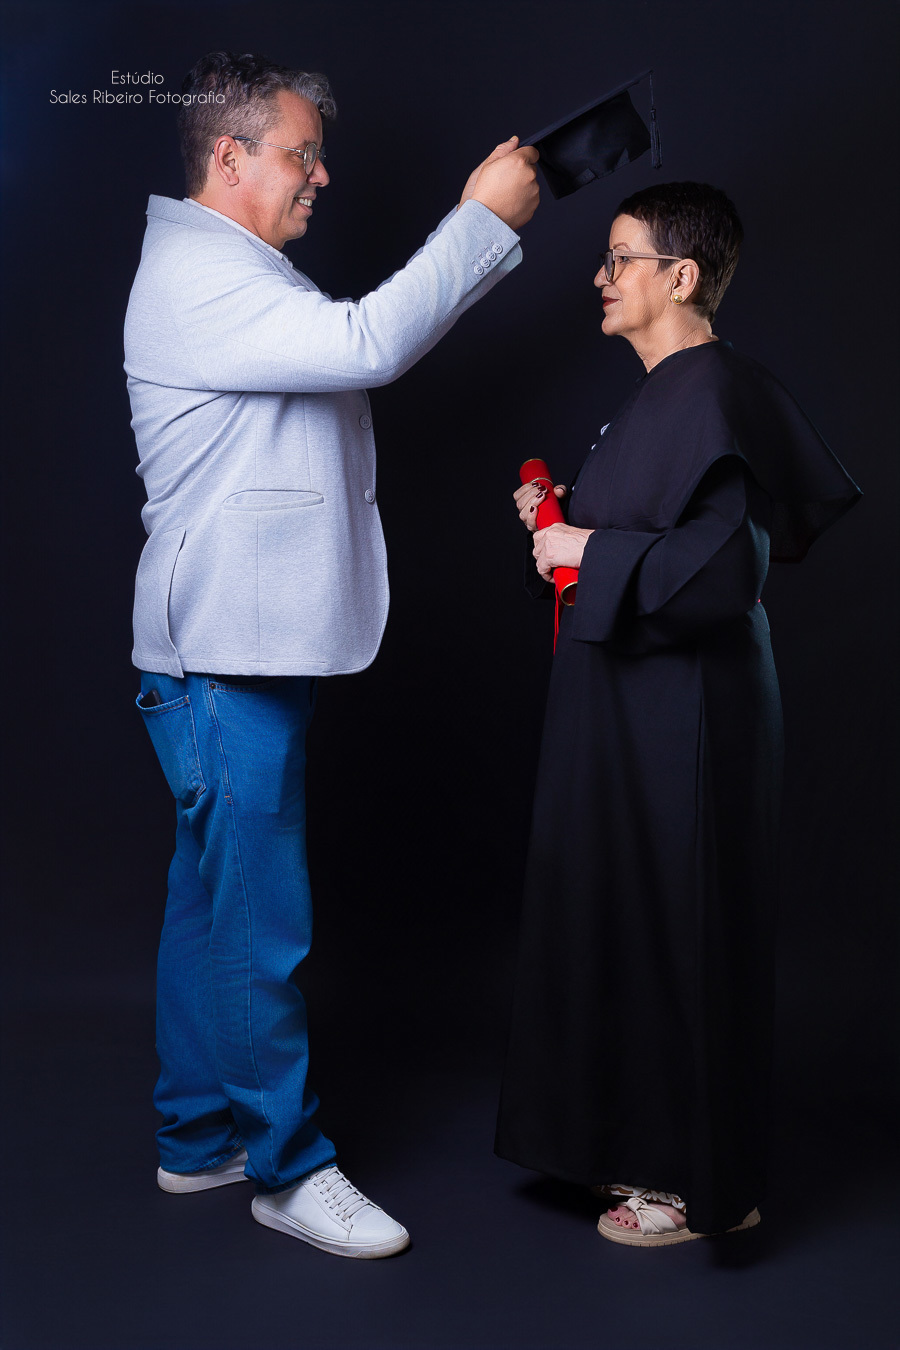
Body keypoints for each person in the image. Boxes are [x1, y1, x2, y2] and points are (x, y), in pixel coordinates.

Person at [125, 49, 539, 1260]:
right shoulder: (201, 272)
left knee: (211, 900)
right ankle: (288, 1171)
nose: (322, 176)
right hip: (220, 656)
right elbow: (365, 343)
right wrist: (482, 222)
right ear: (230, 156)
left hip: (230, 647)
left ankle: (197, 1138)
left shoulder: (230, 268)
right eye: (302, 154)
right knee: (259, 921)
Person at [495, 181, 859, 1246]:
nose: (601, 278)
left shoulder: (716, 390)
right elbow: (645, 538)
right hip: (628, 712)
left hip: (686, 717)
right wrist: (561, 521)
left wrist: (585, 547)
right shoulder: (657, 397)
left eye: (620, 259)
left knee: (677, 931)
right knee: (623, 920)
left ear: (681, 276)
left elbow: (721, 574)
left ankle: (694, 1182)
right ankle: (634, 1152)